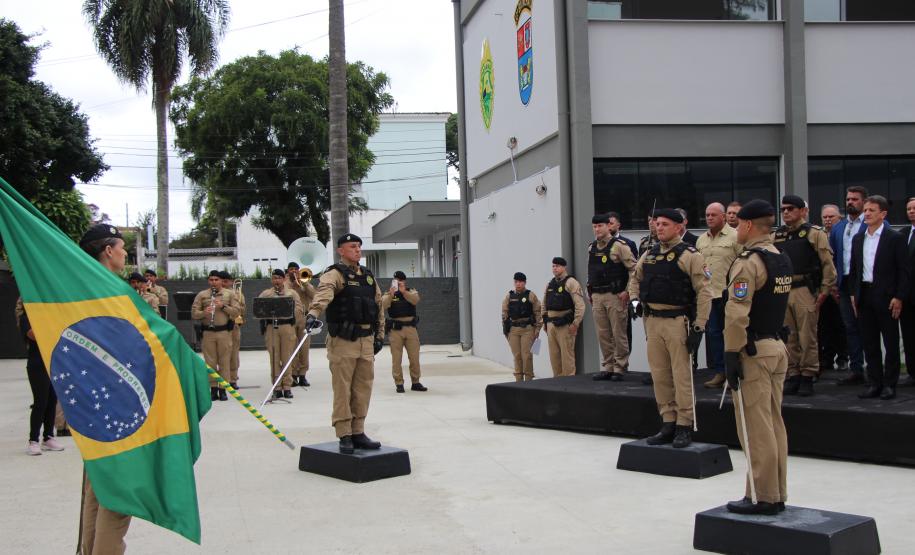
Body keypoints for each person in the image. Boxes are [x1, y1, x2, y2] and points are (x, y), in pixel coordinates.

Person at [723, 199, 791, 516]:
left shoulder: (748, 262)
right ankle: (775, 492)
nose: (735, 228)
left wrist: (730, 353)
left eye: (737, 224)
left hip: (754, 351)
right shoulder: (781, 257)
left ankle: (763, 497)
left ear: (749, 225)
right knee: (774, 423)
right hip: (776, 346)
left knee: (755, 427)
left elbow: (737, 314)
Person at [629, 209, 711, 448]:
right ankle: (668, 421)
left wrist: (699, 327)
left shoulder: (691, 255)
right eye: (657, 224)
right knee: (660, 375)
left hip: (679, 322)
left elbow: (705, 292)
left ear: (679, 227)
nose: (659, 227)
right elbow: (634, 278)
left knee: (681, 376)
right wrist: (635, 300)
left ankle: (685, 424)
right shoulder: (650, 254)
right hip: (653, 322)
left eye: (665, 224)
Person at [77, 223, 132, 554]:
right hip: (116, 402)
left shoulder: (79, 286)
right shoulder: (109, 290)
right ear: (108, 250)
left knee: (96, 491)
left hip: (91, 402)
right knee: (119, 496)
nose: (126, 252)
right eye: (122, 247)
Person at [305, 233, 385, 454]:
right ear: (341, 250)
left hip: (366, 341)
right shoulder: (334, 274)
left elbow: (378, 306)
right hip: (343, 341)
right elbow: (323, 294)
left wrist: (380, 336)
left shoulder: (368, 276)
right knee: (343, 389)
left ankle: (358, 431)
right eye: (352, 246)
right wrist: (313, 313)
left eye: (359, 246)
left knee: (363, 388)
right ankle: (344, 434)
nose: (357, 250)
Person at [772, 195, 837, 397]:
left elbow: (827, 264)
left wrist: (824, 291)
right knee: (787, 335)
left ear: (802, 210)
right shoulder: (778, 235)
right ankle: (793, 373)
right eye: (783, 209)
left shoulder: (814, 233)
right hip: (783, 289)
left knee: (807, 335)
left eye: (791, 208)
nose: (786, 212)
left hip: (805, 289)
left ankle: (808, 374)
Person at [849, 196, 910, 400]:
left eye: (871, 210)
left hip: (887, 296)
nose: (866, 213)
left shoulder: (895, 238)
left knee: (890, 342)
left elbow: (904, 270)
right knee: (869, 342)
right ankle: (874, 382)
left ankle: (890, 384)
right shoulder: (859, 238)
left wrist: (899, 297)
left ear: (883, 214)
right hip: (864, 295)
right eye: (865, 210)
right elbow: (855, 270)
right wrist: (853, 295)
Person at [697, 202, 742, 389]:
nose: (709, 218)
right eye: (707, 215)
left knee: (732, 335)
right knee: (714, 335)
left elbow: (744, 263)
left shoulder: (736, 237)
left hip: (730, 295)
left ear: (723, 217)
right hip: (709, 295)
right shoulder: (701, 240)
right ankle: (720, 372)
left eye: (713, 215)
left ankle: (736, 374)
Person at [588, 213, 636, 381]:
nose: (596, 229)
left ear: (608, 226)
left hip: (615, 295)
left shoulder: (619, 246)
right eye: (594, 226)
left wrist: (628, 291)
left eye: (600, 226)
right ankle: (608, 366)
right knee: (603, 333)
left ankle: (620, 366)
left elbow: (634, 269)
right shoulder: (592, 247)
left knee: (618, 333)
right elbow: (592, 271)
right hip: (597, 296)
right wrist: (591, 292)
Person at [16, 297, 65, 456]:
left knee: (52, 400)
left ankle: (48, 436)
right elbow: (33, 335)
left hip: (52, 363)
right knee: (40, 402)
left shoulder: (48, 316)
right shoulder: (25, 318)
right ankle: (33, 440)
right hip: (37, 364)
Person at [830, 186, 868, 385]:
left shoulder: (873, 224)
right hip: (844, 283)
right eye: (848, 199)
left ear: (864, 202)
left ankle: (875, 369)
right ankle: (856, 369)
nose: (850, 202)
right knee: (850, 327)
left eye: (855, 199)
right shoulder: (839, 227)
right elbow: (833, 256)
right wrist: (834, 283)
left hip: (865, 284)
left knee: (868, 326)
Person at [191, 270, 241, 401]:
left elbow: (236, 312)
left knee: (224, 361)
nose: (213, 282)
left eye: (216, 280)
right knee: (210, 362)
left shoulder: (230, 294)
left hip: (224, 332)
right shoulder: (202, 295)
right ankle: (213, 389)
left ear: (221, 281)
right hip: (208, 332)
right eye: (211, 280)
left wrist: (223, 306)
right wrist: (203, 313)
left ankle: (223, 389)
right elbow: (194, 313)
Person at [259, 269, 301, 400]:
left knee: (287, 357)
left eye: (278, 278)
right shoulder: (266, 293)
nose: (276, 280)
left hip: (286, 326)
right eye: (274, 278)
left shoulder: (291, 293)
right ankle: (277, 387)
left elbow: (299, 309)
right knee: (275, 357)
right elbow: (258, 307)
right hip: (272, 327)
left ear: (283, 279)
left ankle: (287, 387)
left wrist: (287, 310)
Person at [382, 270, 427, 392]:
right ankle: (399, 383)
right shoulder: (389, 293)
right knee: (396, 358)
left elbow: (415, 300)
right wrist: (391, 294)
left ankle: (416, 382)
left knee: (414, 357)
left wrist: (403, 292)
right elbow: (383, 305)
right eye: (397, 280)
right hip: (396, 330)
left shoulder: (411, 291)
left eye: (401, 280)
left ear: (404, 281)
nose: (399, 282)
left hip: (411, 329)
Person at [541, 257, 585, 377]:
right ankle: (557, 383)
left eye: (557, 266)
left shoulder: (571, 282)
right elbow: (544, 304)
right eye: (553, 266)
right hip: (551, 325)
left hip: (565, 325)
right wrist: (545, 322)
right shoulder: (550, 284)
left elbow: (580, 305)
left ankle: (569, 384)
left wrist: (575, 323)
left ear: (564, 267)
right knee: (554, 357)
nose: (554, 268)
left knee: (567, 357)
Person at [818, 204, 849, 374]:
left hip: (839, 286)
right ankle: (827, 358)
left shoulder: (844, 234)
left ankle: (843, 357)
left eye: (832, 217)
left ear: (839, 218)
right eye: (825, 217)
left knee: (841, 324)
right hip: (823, 287)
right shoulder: (819, 235)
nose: (828, 220)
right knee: (824, 325)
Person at [501, 272, 543, 381]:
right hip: (513, 330)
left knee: (527, 356)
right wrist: (506, 331)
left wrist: (537, 329)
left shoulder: (530, 295)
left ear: (525, 282)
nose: (518, 284)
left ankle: (528, 381)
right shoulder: (509, 296)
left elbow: (538, 312)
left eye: (520, 282)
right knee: (517, 356)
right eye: (516, 282)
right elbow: (504, 313)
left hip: (528, 329)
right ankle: (518, 381)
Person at [288, 262, 316, 387]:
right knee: (292, 347)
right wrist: (292, 286)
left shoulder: (305, 282)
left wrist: (303, 283)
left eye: (296, 269)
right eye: (291, 269)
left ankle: (302, 375)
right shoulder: (285, 283)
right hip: (290, 318)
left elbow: (314, 295)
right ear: (288, 271)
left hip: (304, 317)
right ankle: (293, 375)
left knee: (304, 347)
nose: (293, 271)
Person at [220, 271, 245, 389]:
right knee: (221, 354)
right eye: (222, 281)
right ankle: (222, 379)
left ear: (231, 281)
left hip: (233, 326)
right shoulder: (215, 294)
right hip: (220, 327)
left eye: (226, 281)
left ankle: (233, 379)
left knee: (234, 353)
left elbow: (242, 310)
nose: (224, 284)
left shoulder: (237, 293)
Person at [901, 197, 915, 387]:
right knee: (909, 334)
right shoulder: (903, 234)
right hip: (906, 293)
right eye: (909, 209)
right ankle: (912, 372)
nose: (911, 211)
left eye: (914, 208)